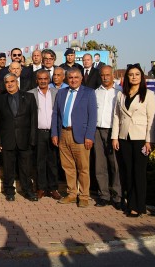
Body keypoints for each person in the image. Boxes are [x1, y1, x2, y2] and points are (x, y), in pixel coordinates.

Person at [111, 64, 155, 217]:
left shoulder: (149, 94)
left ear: (142, 77)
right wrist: (115, 137)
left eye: (137, 74)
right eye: (131, 74)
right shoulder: (121, 95)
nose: (134, 77)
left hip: (140, 138)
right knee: (127, 172)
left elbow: (152, 118)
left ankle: (139, 205)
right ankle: (130, 203)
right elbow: (117, 116)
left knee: (139, 173)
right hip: (124, 137)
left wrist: (149, 140)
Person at [51, 67, 97, 207]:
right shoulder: (61, 93)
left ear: (81, 78)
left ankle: (83, 195)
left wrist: (89, 136)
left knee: (83, 167)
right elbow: (55, 115)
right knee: (68, 167)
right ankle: (71, 193)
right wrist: (55, 133)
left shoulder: (89, 93)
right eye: (70, 77)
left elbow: (93, 116)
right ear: (66, 79)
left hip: (81, 136)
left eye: (76, 77)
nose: (73, 80)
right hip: (64, 133)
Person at [0, 73, 38, 202]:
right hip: (7, 140)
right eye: (7, 82)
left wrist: (33, 139)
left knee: (25, 169)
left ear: (17, 82)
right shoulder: (0, 100)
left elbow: (33, 120)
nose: (10, 84)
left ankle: (28, 191)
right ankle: (9, 191)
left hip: (25, 140)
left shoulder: (29, 97)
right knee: (8, 169)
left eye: (12, 81)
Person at [93, 65, 122, 209]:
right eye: (103, 75)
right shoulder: (95, 92)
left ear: (113, 75)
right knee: (100, 165)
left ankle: (117, 196)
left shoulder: (120, 92)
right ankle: (103, 195)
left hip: (113, 132)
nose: (105, 77)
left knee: (115, 165)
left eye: (108, 75)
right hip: (97, 130)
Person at [28, 70, 61, 200]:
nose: (43, 81)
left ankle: (53, 188)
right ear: (37, 80)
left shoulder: (57, 93)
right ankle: (41, 188)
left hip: (53, 133)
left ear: (49, 79)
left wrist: (57, 132)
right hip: (38, 132)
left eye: (45, 78)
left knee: (53, 162)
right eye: (40, 79)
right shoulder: (30, 94)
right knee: (39, 162)